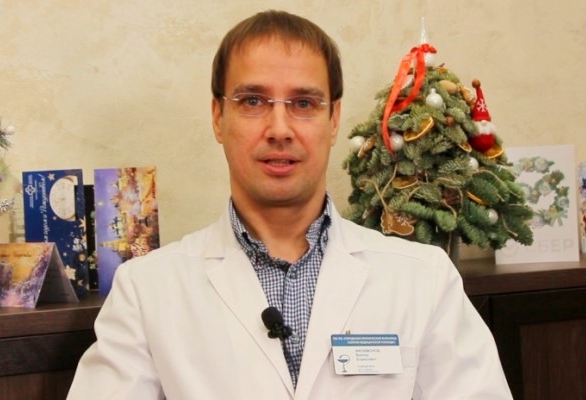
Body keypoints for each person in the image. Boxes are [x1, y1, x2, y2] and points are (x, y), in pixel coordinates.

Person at [67, 10, 512, 399]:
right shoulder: (146, 291)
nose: (279, 129)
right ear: (218, 117)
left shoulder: (424, 280)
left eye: (303, 103)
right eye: (253, 101)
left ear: (333, 120)